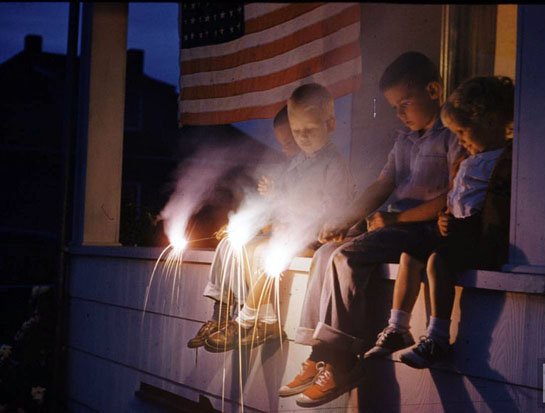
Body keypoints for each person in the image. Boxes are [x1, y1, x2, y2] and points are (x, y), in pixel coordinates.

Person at [279, 52, 464, 408]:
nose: (400, 113)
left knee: (348, 256)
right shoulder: (405, 140)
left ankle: (343, 361)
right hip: (394, 228)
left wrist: (395, 220)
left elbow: (449, 198)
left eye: (404, 104)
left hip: (422, 230)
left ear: (434, 90)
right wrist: (347, 219)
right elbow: (382, 183)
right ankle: (320, 353)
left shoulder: (450, 138)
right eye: (394, 107)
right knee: (326, 253)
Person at [197, 83, 355, 353]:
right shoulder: (298, 162)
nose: (302, 138)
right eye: (297, 132)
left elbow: (332, 206)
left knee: (270, 253)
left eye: (309, 131)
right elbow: (283, 200)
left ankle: (245, 321)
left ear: (330, 125)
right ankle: (262, 318)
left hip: (313, 236)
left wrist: (291, 201)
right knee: (245, 247)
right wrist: (269, 199)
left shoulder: (334, 163)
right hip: (287, 229)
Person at [391, 76, 515, 369]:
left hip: (479, 237)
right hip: (456, 230)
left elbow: (496, 206)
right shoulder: (469, 158)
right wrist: (446, 216)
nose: (460, 141)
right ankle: (397, 326)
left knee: (438, 262)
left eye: (462, 131)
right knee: (410, 253)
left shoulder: (507, 159)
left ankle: (437, 337)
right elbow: (458, 196)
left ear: (490, 120)